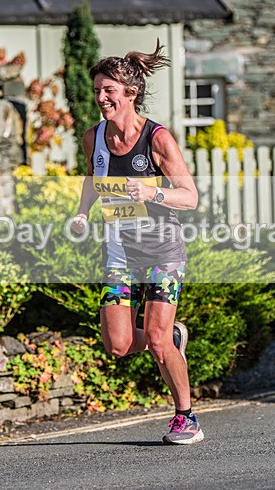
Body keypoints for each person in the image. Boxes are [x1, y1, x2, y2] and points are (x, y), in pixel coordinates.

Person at [69, 41, 202, 444]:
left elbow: (191, 197)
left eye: (108, 90)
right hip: (119, 251)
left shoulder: (158, 140)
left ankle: (186, 417)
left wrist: (152, 193)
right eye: (97, 90)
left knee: (158, 343)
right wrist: (81, 212)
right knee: (119, 344)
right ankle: (170, 338)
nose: (101, 98)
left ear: (130, 93)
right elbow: (94, 180)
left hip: (162, 249)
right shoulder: (94, 138)